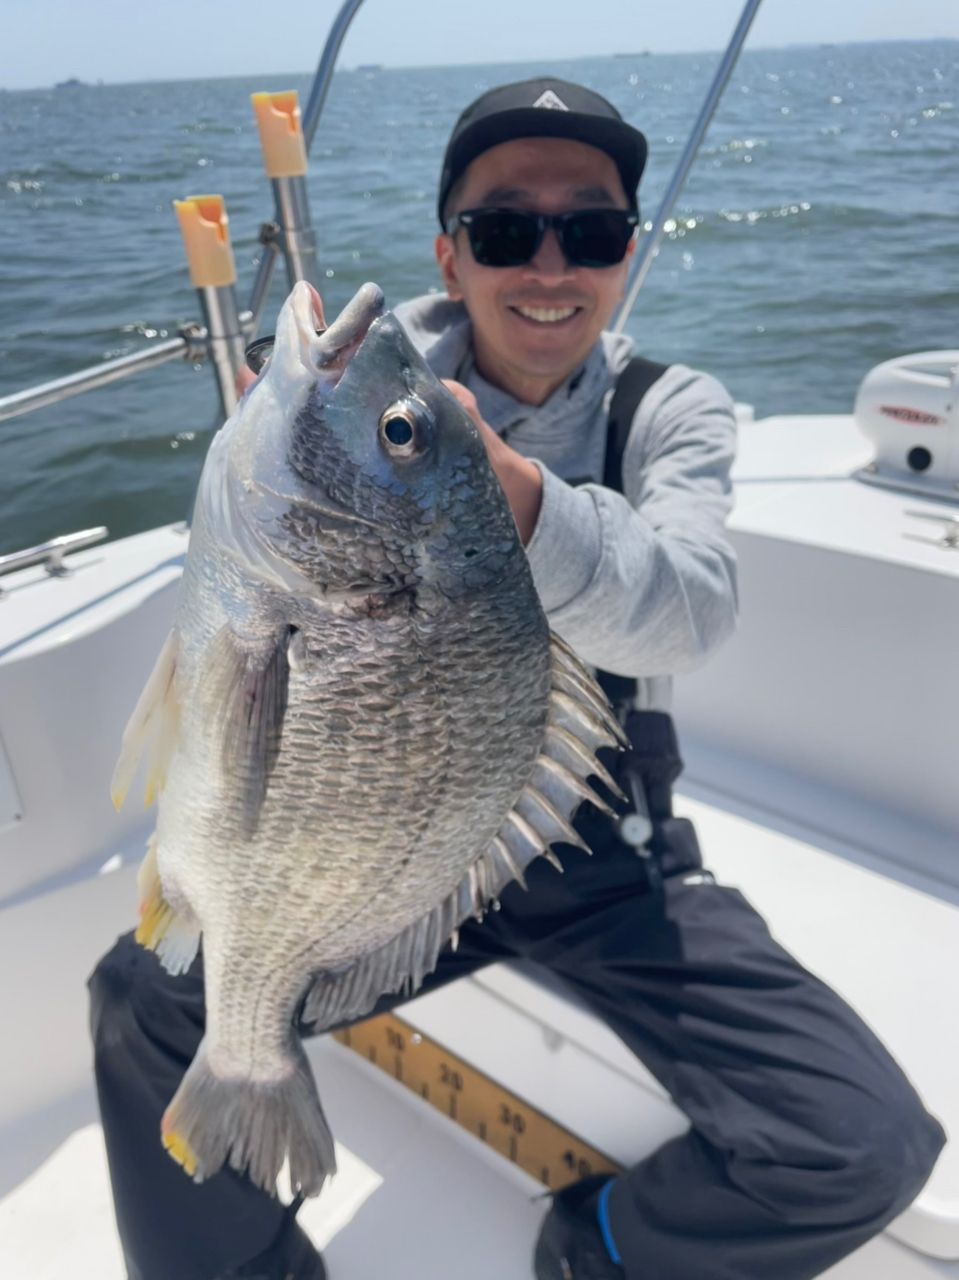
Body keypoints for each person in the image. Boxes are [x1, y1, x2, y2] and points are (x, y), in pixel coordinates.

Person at [88, 78, 945, 1280]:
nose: (549, 264)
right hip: (387, 846)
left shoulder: (668, 408)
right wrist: (288, 451)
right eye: (503, 229)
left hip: (604, 857)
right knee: (140, 997)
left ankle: (594, 1244)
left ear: (625, 253)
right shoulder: (371, 387)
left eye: (588, 229)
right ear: (449, 253)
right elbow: (247, 616)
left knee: (866, 1142)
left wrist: (519, 499)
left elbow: (689, 609)